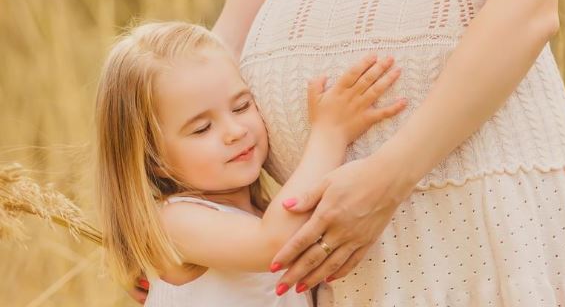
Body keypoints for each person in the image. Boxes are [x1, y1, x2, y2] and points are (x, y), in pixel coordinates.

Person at [211, 0, 565, 305]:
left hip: (474, 193)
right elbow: (228, 39)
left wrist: (387, 178)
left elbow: (527, 5)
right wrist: (153, 200)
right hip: (335, 231)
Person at [95, 21, 407, 306]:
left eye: (242, 105)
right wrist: (330, 134)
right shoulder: (174, 222)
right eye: (202, 128)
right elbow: (274, 245)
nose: (235, 131)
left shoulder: (261, 211)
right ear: (155, 160)